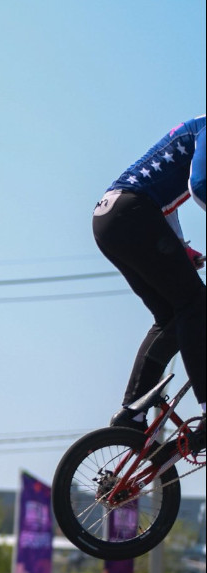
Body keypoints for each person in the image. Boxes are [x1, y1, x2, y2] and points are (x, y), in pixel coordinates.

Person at [95, 115, 205, 451]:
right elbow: (200, 185)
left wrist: (182, 249)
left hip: (110, 220)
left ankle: (132, 413)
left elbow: (163, 203)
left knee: (171, 316)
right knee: (196, 304)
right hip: (132, 214)